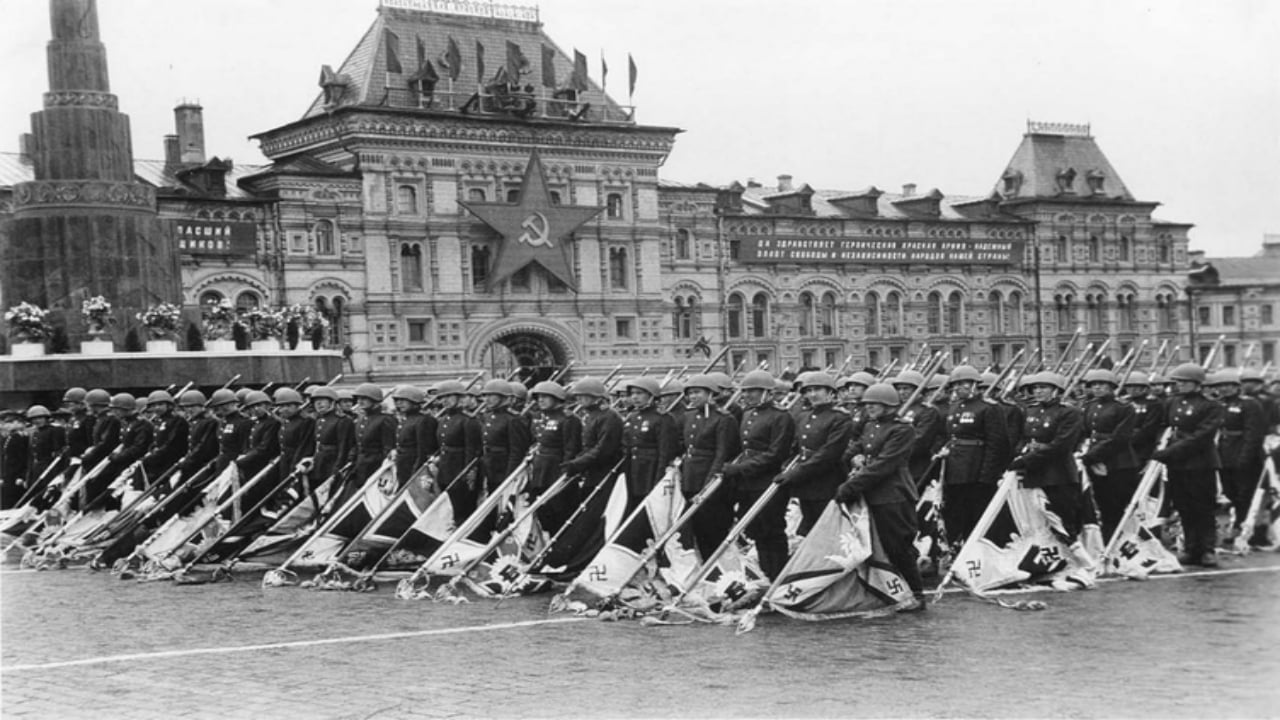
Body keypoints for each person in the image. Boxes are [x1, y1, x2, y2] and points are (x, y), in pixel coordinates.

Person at [835, 382, 926, 611]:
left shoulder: (902, 429)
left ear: (889, 405)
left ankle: (916, 594)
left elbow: (885, 464)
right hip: (872, 493)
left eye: (875, 404)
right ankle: (891, 591)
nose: (870, 408)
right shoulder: (870, 426)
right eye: (867, 404)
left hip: (893, 495)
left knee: (898, 547)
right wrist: (853, 458)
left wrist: (851, 486)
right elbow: (857, 448)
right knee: (879, 547)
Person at [1010, 372, 1094, 581]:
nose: (1038, 391)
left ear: (1056, 390)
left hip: (1058, 474)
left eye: (1043, 387)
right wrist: (1021, 453)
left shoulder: (1069, 413)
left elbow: (1062, 445)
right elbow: (1022, 438)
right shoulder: (1029, 411)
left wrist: (1027, 459)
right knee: (1038, 520)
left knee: (1064, 521)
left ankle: (1084, 564)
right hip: (1034, 474)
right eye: (1035, 388)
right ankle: (1052, 563)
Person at [720, 369, 795, 580]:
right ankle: (765, 574)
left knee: (772, 530)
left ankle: (778, 576)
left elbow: (776, 454)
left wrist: (741, 468)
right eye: (746, 391)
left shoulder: (781, 416)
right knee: (756, 531)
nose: (748, 395)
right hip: (748, 483)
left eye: (753, 391)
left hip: (768, 480)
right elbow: (745, 448)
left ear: (768, 392)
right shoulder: (748, 413)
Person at [1152, 363, 1224, 566]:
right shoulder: (1171, 402)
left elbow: (1200, 437)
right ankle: (1192, 548)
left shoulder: (1211, 406)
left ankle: (1208, 549)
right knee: (1184, 507)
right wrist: (1160, 446)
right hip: (1177, 465)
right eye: (1178, 381)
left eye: (1184, 382)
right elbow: (1163, 427)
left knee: (1203, 507)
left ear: (1197, 384)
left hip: (1200, 463)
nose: (1180, 385)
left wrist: (1169, 452)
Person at [776, 372, 852, 536]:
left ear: (831, 392)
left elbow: (828, 454)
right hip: (805, 483)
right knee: (809, 528)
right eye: (808, 390)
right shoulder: (803, 416)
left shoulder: (840, 418)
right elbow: (795, 447)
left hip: (827, 482)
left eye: (818, 389)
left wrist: (796, 473)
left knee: (827, 531)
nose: (812, 394)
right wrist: (785, 467)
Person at [939, 365, 1006, 545]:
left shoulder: (988, 408)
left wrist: (988, 474)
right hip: (955, 469)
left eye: (964, 383)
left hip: (976, 469)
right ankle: (956, 547)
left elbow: (996, 444)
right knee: (955, 512)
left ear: (975, 384)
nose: (959, 388)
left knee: (977, 514)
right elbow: (952, 437)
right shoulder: (954, 407)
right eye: (956, 384)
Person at [678, 374, 740, 557]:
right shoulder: (689, 416)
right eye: (690, 393)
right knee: (698, 529)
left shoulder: (723, 419)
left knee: (714, 530)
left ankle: (720, 571)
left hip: (712, 482)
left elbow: (722, 454)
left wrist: (708, 485)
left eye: (697, 392)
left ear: (711, 394)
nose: (693, 397)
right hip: (691, 479)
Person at [1079, 369, 1141, 542]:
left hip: (1119, 463)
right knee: (1103, 503)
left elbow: (1119, 438)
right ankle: (1108, 539)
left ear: (1112, 387)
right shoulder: (1089, 406)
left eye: (1102, 384)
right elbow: (1084, 432)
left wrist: (1091, 456)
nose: (1097, 388)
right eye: (1093, 385)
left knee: (1118, 504)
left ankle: (1121, 540)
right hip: (1094, 461)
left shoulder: (1123, 408)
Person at [1206, 370, 1265, 544]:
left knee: (1245, 494)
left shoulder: (1249, 404)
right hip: (1223, 453)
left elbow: (1253, 434)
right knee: (1230, 491)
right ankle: (1239, 524)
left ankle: (1245, 528)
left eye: (1228, 385)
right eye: (1220, 386)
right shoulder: (1218, 404)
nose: (1224, 389)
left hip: (1244, 454)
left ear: (1236, 386)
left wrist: (1245, 458)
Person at [619, 377, 679, 513]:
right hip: (635, 470)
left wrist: (659, 477)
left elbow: (666, 451)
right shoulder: (633, 417)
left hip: (651, 470)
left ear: (651, 396)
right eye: (632, 393)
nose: (635, 397)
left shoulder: (662, 418)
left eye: (640, 393)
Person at [528, 381, 581, 533]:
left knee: (560, 510)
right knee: (543, 510)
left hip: (557, 470)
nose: (540, 400)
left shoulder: (568, 419)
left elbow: (571, 448)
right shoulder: (538, 417)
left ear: (557, 398)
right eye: (538, 397)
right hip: (540, 471)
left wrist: (565, 473)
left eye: (545, 397)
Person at [434, 380, 482, 526]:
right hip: (445, 470)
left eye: (449, 397)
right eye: (442, 398)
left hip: (460, 471)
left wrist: (468, 473)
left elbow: (472, 451)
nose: (445, 401)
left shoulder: (468, 421)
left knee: (463, 509)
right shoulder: (443, 420)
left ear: (459, 398)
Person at [892, 370, 945, 488]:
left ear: (918, 389)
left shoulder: (928, 410)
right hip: (894, 466)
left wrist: (892, 450)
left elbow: (920, 440)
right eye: (899, 389)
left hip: (916, 466)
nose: (902, 392)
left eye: (906, 389)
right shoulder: (895, 409)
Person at [478, 379, 531, 492]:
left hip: (503, 469)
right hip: (489, 467)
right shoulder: (487, 416)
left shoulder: (513, 419)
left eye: (491, 396)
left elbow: (517, 451)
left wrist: (510, 475)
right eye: (485, 396)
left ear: (503, 397)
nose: (487, 399)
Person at [350, 383, 395, 490]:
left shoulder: (385, 420)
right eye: (359, 398)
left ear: (375, 400)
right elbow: (357, 445)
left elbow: (388, 448)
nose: (360, 401)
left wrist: (383, 469)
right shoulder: (361, 420)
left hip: (376, 467)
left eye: (364, 398)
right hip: (360, 466)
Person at [392, 386, 437, 488]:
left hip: (414, 467)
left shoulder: (424, 421)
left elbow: (423, 449)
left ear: (415, 402)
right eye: (397, 400)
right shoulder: (405, 420)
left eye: (403, 400)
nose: (399, 403)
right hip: (403, 467)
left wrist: (417, 471)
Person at [309, 386, 355, 485]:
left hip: (332, 464)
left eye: (322, 400)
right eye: (316, 401)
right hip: (320, 464)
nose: (318, 404)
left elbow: (343, 447)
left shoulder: (343, 420)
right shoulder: (319, 420)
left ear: (332, 402)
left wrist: (337, 468)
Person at [140, 391, 188, 484]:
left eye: (160, 404)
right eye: (154, 405)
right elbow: (155, 441)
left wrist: (153, 456)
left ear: (169, 405)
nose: (157, 408)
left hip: (170, 461)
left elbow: (171, 444)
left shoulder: (177, 420)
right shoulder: (158, 421)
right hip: (158, 461)